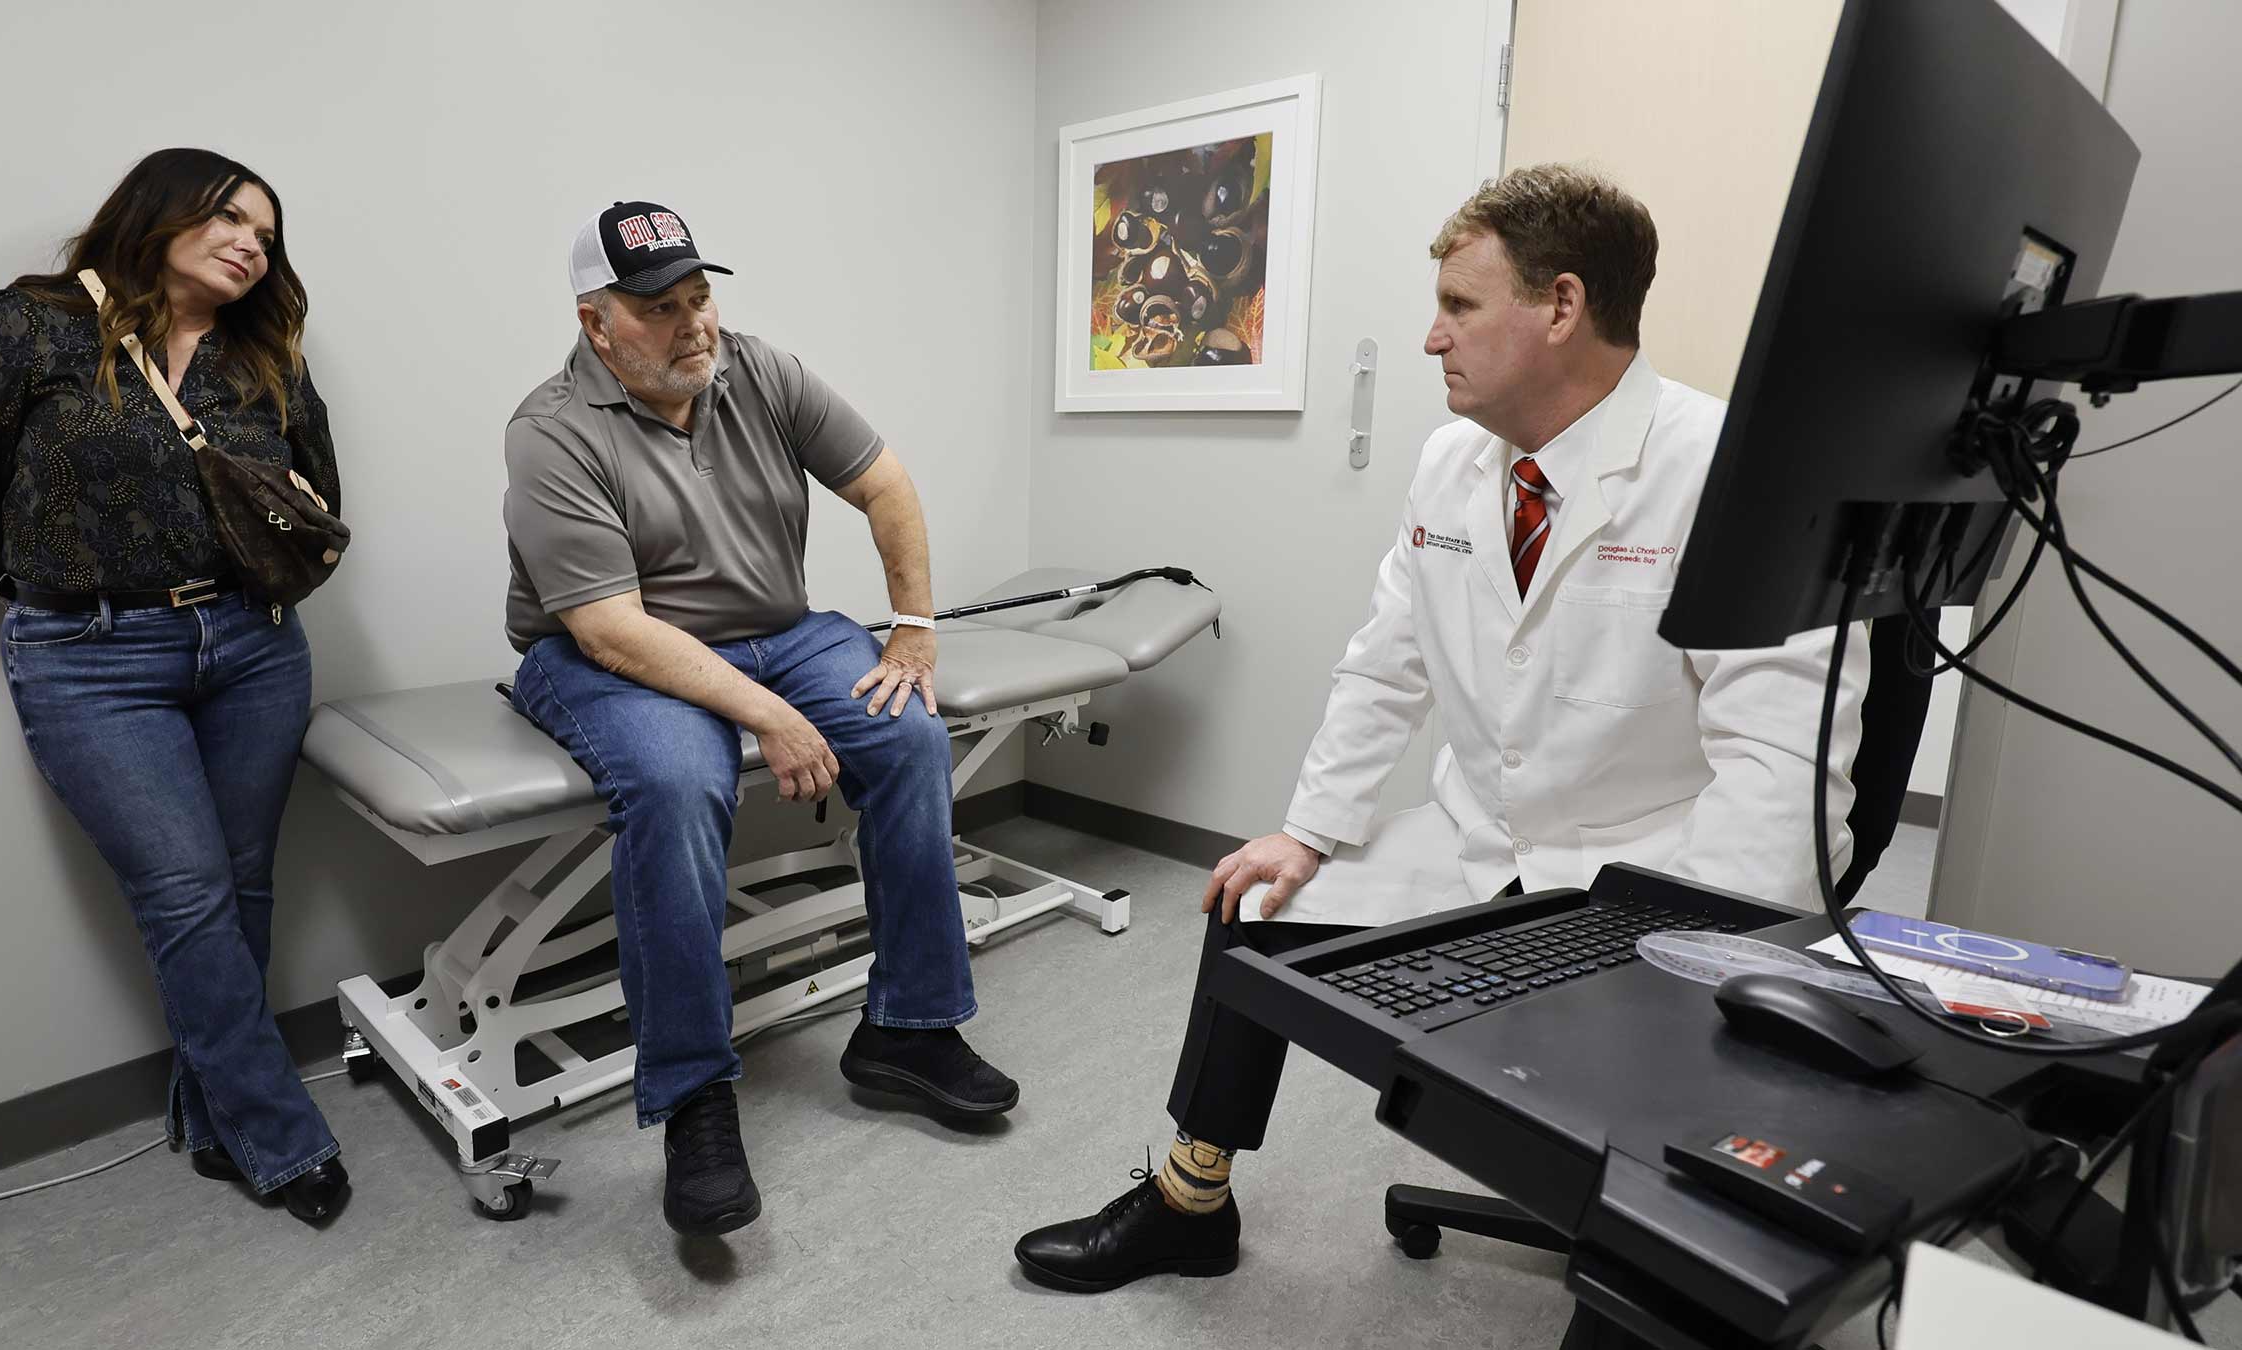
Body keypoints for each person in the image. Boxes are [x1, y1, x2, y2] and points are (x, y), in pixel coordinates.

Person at [1013, 164, 1869, 1291]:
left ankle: (1652, 1247)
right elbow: (1387, 662)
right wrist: (1309, 832)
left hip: (1646, 868)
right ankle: (1190, 1198)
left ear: (1561, 307)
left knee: (1659, 1198)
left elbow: (1781, 768)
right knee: (1253, 900)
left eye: (1460, 306)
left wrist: (1688, 963)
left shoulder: (1727, 471)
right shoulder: (1453, 464)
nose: (1431, 338)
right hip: (1478, 839)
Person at [501, 200, 1020, 1238]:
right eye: (661, 308)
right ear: (596, 322)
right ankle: (693, 1097)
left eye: (700, 297)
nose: (694, 324)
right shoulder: (551, 431)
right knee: (679, 783)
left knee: (910, 732)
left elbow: (886, 485)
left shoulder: (758, 370)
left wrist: (913, 629)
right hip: (615, 651)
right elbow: (609, 630)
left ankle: (909, 1031)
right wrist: (770, 717)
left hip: (777, 630)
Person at [0, 147, 350, 1225]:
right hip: (93, 661)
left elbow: (318, 491)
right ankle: (281, 1138)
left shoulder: (261, 355)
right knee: (186, 895)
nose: (253, 243)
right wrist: (43, 589)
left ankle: (212, 1111)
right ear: (156, 212)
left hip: (253, 646)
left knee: (240, 887)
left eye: (267, 234)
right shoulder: (24, 326)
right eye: (231, 218)